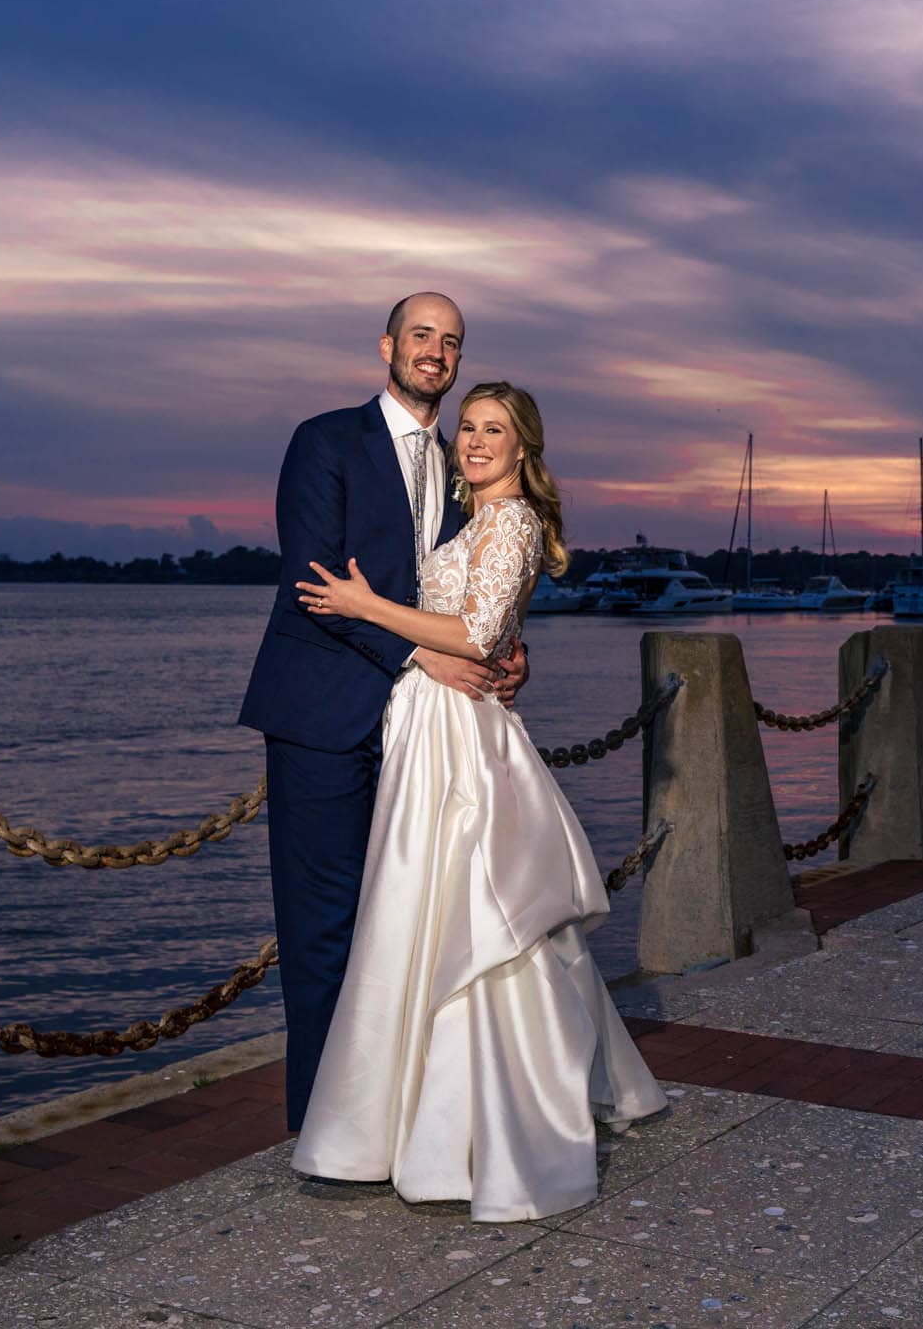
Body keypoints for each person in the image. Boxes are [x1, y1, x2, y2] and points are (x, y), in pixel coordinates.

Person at [288, 382, 665, 1221]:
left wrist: (362, 605)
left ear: (524, 448)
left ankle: (492, 1121)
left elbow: (479, 632)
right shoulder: (473, 524)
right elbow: (475, 625)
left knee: (466, 908)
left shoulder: (514, 521)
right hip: (429, 720)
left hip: (462, 735)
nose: (477, 441)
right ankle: (409, 1115)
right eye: (469, 427)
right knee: (422, 908)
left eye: (496, 430)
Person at [238, 294, 529, 1133]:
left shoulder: (460, 461)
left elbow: (479, 584)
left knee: (404, 924)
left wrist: (506, 650)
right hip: (324, 717)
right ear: (388, 347)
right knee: (324, 927)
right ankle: (324, 1131)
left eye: (451, 342)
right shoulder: (325, 441)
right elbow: (313, 582)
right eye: (421, 336)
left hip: (422, 731)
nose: (435, 352)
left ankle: (395, 1117)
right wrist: (418, 654)